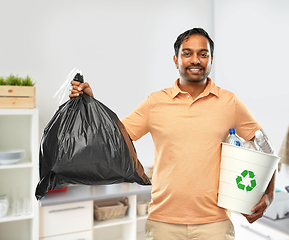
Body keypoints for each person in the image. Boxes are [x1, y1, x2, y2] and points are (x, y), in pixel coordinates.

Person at [70, 27, 275, 240]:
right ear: (176, 60)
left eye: (203, 54)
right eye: (187, 53)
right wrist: (90, 104)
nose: (195, 59)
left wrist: (268, 196)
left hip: (215, 225)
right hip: (163, 224)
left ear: (211, 60)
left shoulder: (229, 103)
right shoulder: (155, 103)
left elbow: (265, 148)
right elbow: (112, 138)